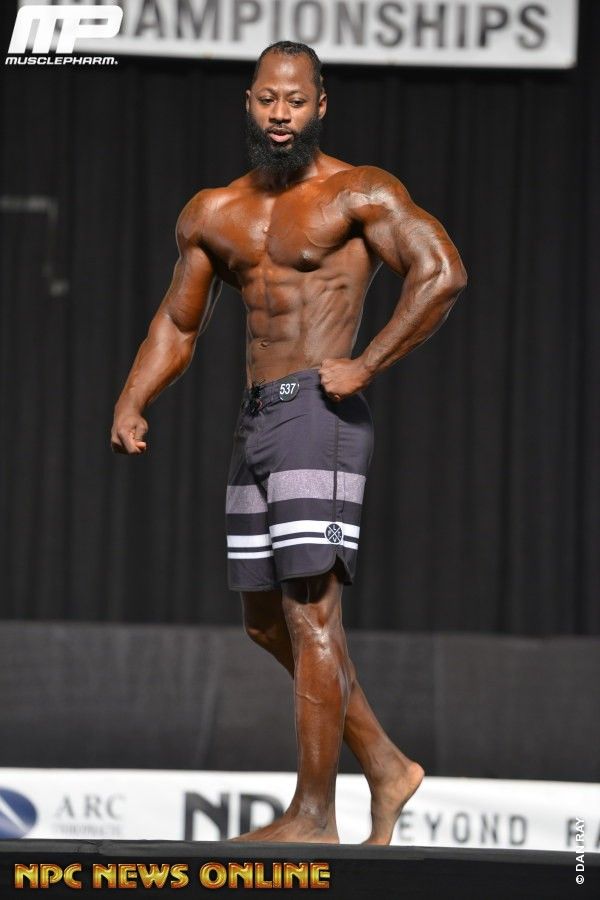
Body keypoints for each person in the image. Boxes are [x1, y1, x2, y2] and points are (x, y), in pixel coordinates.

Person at [111, 41, 467, 845]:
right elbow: (178, 322)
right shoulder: (214, 211)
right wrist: (134, 397)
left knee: (312, 613)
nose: (281, 115)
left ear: (320, 105)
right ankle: (386, 766)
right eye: (268, 100)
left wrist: (367, 363)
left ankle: (314, 816)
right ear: (249, 102)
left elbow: (442, 272)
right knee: (268, 623)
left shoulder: (358, 191)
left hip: (318, 412)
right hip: (256, 419)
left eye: (296, 101)